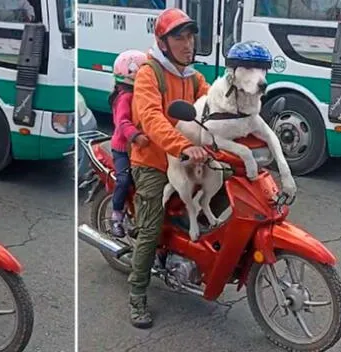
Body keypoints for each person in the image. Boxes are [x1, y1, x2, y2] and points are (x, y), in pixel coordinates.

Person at [127, 8, 210, 329]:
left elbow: (213, 107)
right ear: (163, 43)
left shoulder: (194, 77)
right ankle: (137, 295)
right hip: (153, 162)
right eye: (179, 37)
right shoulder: (150, 73)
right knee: (150, 229)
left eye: (190, 36)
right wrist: (183, 145)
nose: (187, 44)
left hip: (185, 160)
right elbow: (151, 118)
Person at [109, 49, 150, 238]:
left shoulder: (142, 94)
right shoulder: (125, 97)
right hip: (122, 149)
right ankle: (116, 214)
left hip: (139, 149)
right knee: (124, 179)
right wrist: (136, 136)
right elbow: (123, 122)